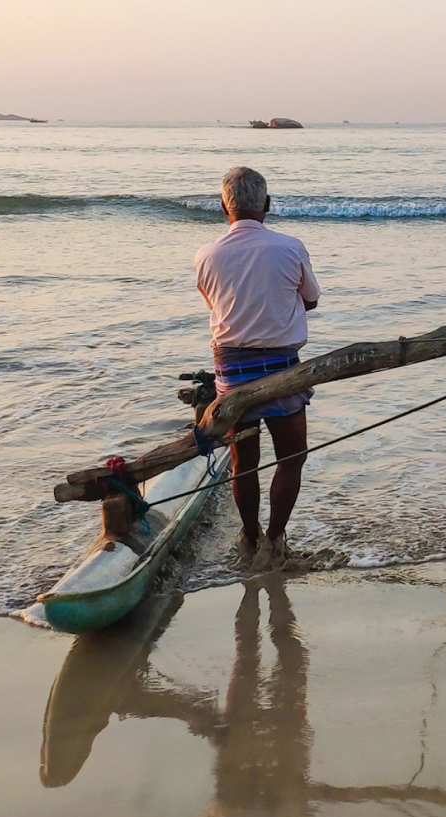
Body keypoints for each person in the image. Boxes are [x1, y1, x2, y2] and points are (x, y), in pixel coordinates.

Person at [196, 167, 320, 570]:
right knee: (291, 456)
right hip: (283, 366)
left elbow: (213, 303)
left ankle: (249, 539)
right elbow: (312, 300)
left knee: (242, 462)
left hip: (231, 369)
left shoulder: (207, 254)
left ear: (223, 207)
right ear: (266, 205)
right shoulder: (290, 247)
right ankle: (275, 539)